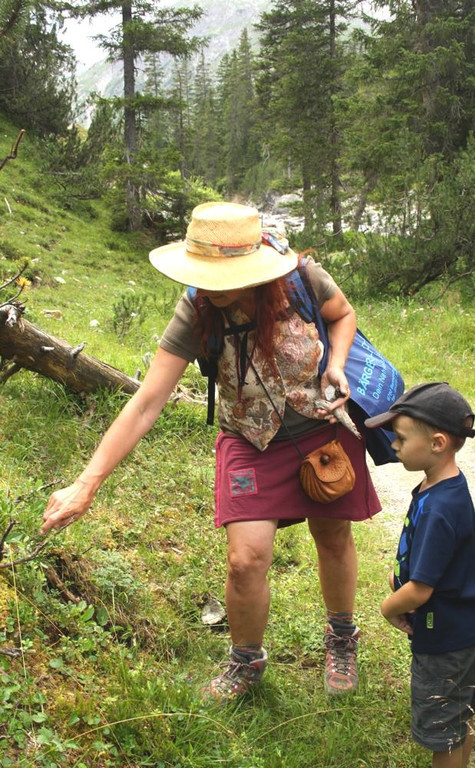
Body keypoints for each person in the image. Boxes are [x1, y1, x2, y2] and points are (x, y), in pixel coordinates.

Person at [41, 201, 381, 701]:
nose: (211, 287)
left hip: (320, 429)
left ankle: (342, 637)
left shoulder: (302, 280)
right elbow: (146, 403)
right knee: (245, 559)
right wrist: (86, 483)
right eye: (204, 274)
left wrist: (338, 364)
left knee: (331, 536)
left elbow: (343, 314)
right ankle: (246, 661)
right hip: (248, 439)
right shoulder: (196, 308)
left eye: (223, 277)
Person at [365, 382, 475, 768]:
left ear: (437, 443)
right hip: (464, 630)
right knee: (458, 719)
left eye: (401, 438)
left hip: (446, 644)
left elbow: (421, 590)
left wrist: (389, 606)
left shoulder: (440, 507)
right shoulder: (439, 486)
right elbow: (435, 558)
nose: (394, 445)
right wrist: (399, 575)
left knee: (444, 735)